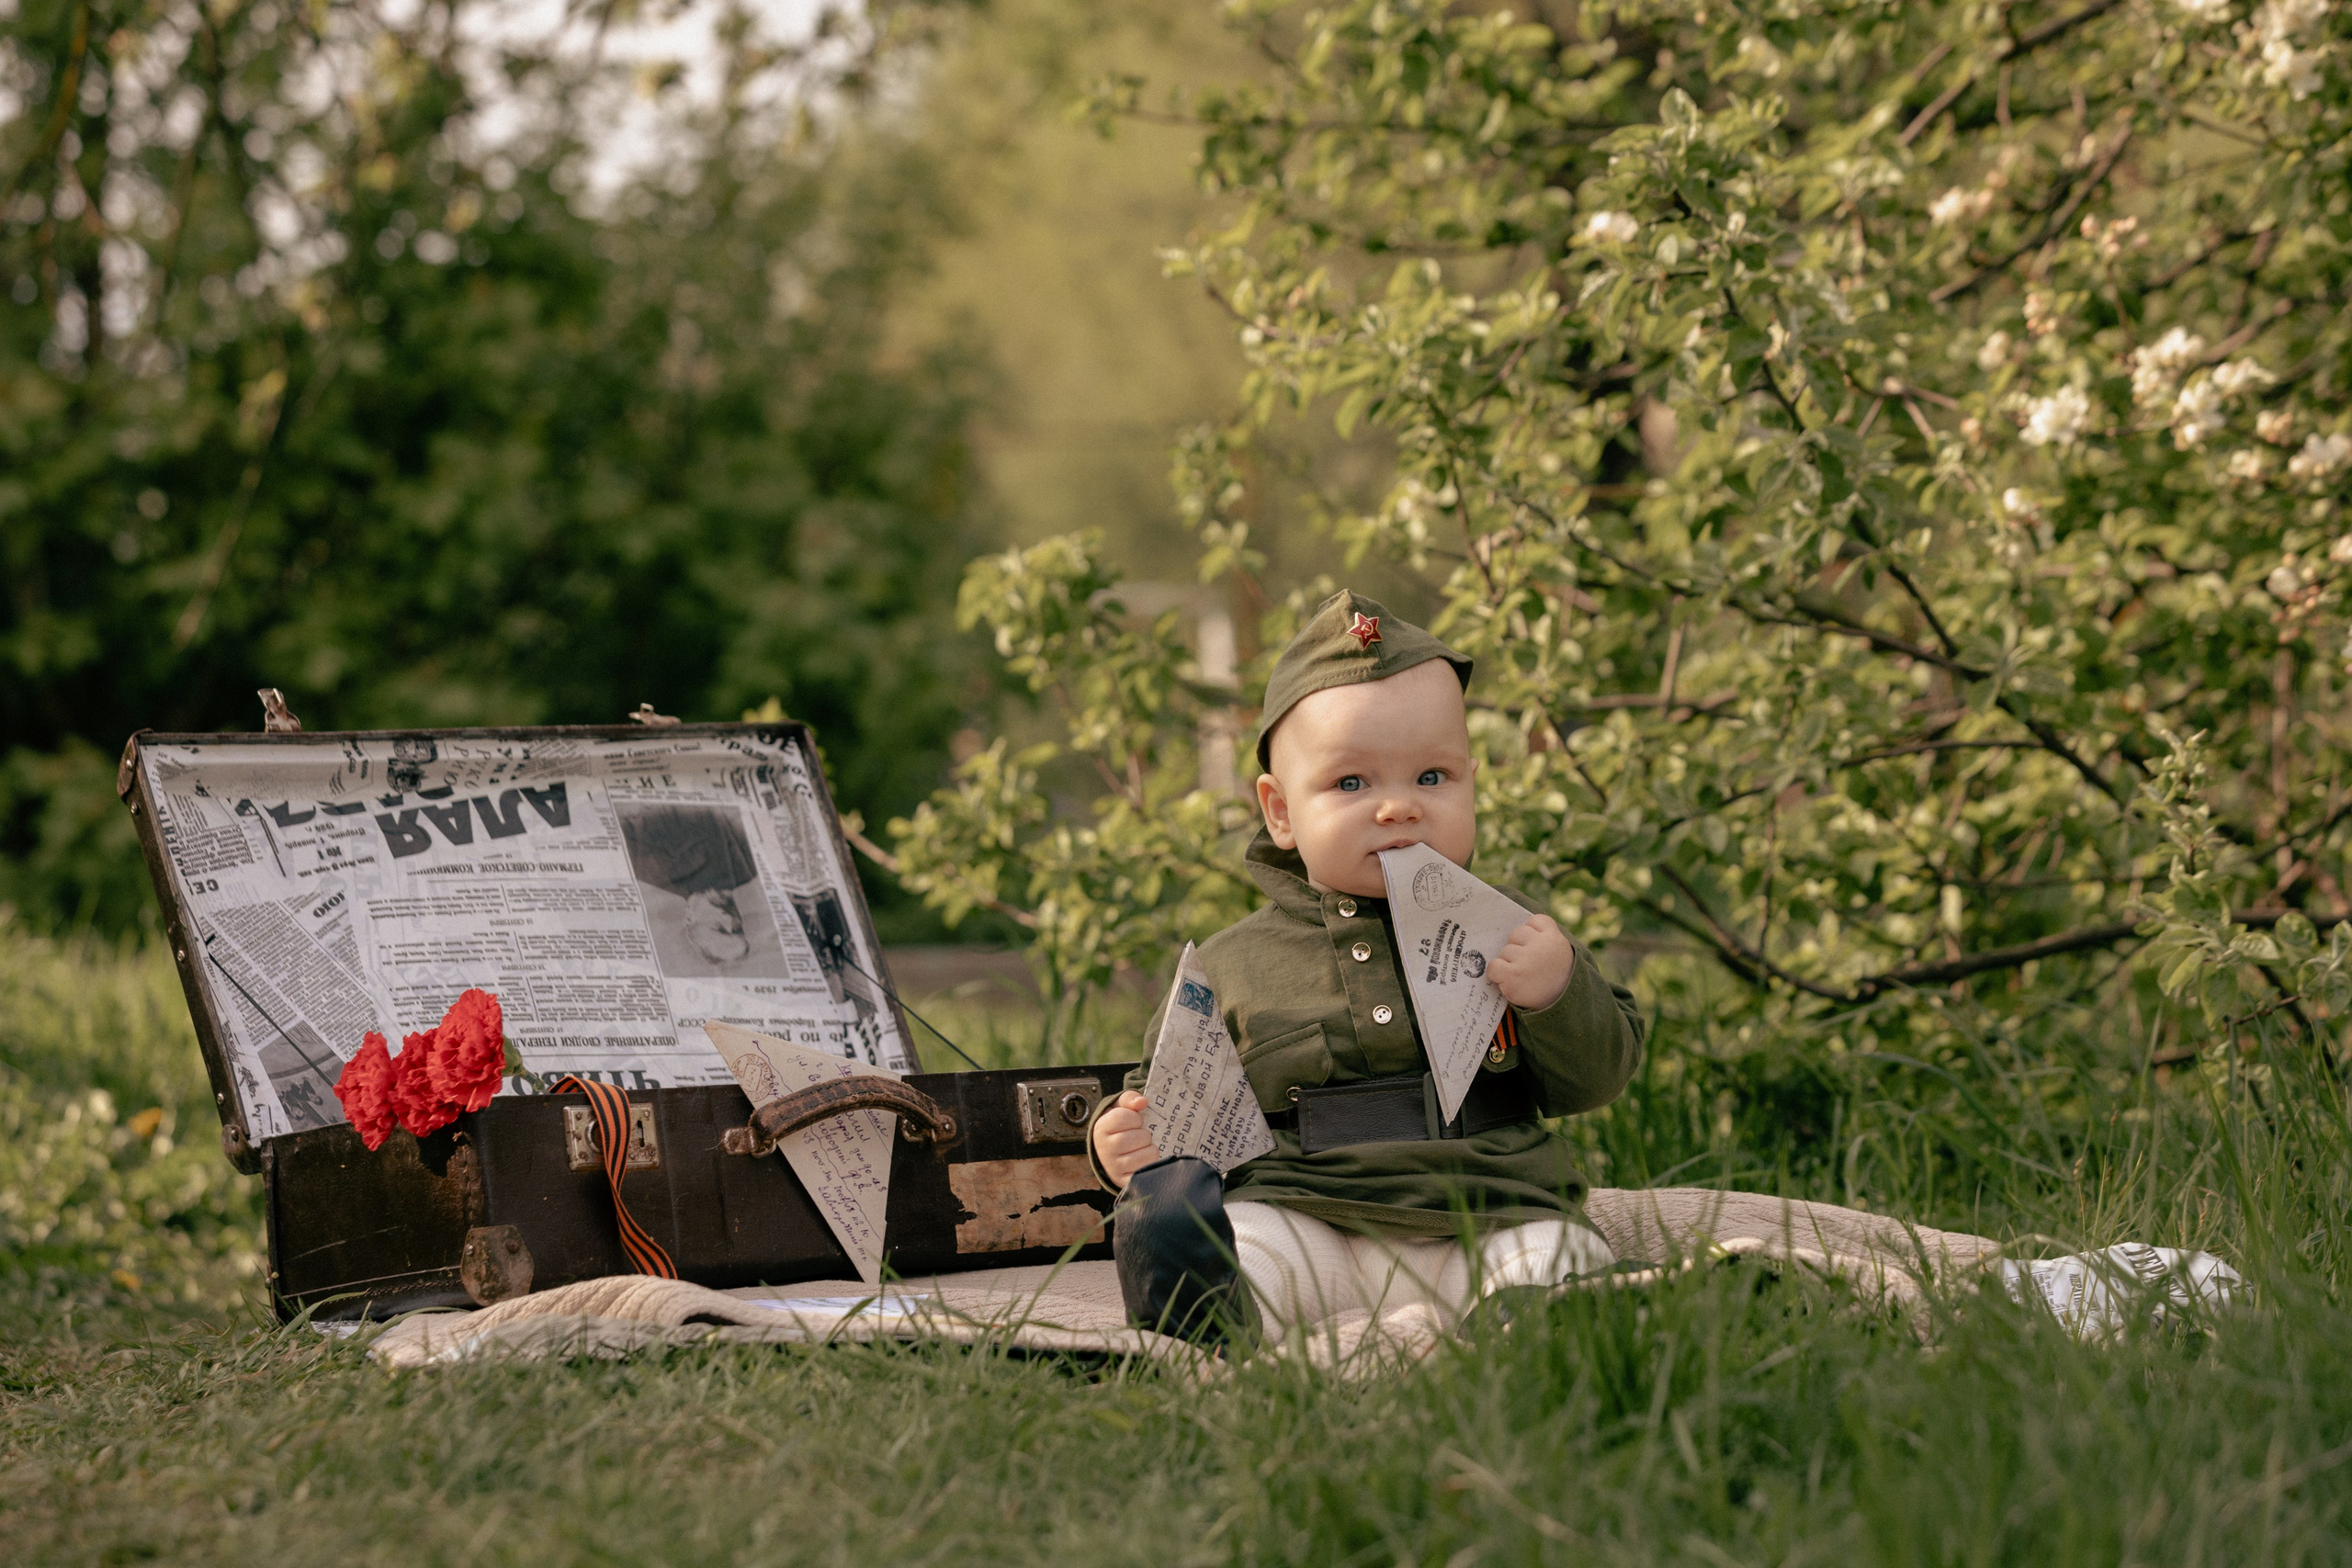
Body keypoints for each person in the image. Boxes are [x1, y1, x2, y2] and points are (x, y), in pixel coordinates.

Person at [1088, 590, 1645, 1342]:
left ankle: (1534, 1322)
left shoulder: (1509, 932)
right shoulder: (1232, 964)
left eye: (1432, 778)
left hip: (1488, 1210)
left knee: (1554, 1253)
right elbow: (1158, 1097)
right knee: (1246, 1246)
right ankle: (1208, 1309)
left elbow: (1599, 1077)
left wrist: (1557, 989)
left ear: (1471, 781)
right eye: (1352, 784)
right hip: (1305, 1213)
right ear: (1281, 812)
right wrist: (1116, 1140)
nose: (1398, 808)